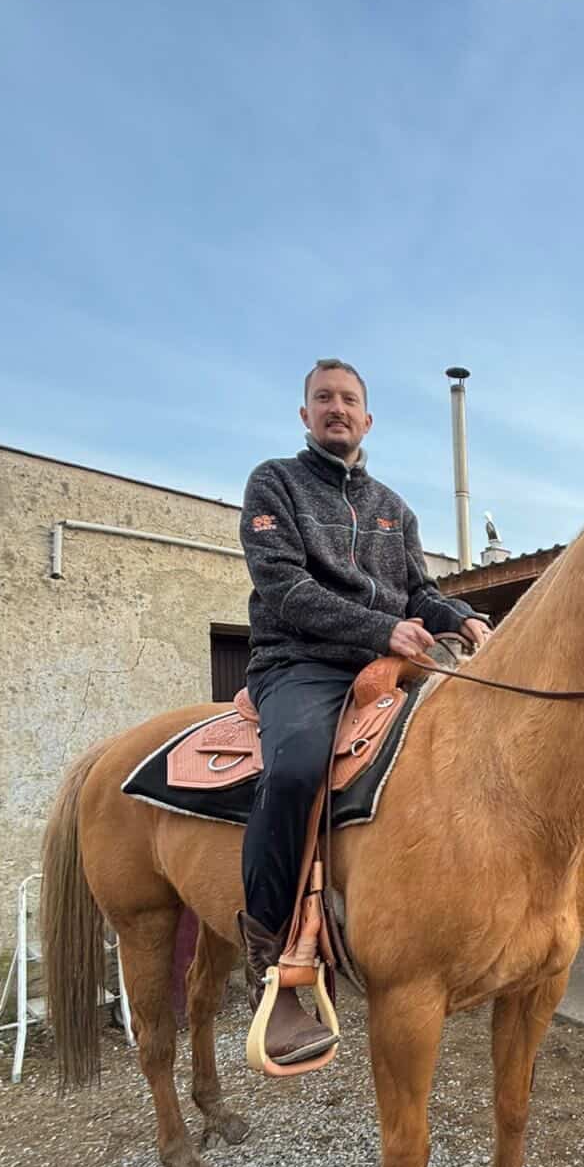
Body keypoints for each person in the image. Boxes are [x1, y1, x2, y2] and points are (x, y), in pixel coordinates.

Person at [238, 358, 490, 1065]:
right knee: (295, 770)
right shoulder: (273, 483)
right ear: (305, 414)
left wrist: (463, 619)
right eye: (323, 398)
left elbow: (420, 593)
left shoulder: (392, 507)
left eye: (348, 400)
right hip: (300, 661)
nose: (337, 409)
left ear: (367, 418)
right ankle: (269, 956)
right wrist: (381, 630)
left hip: (387, 665)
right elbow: (283, 587)